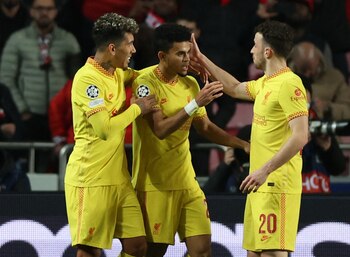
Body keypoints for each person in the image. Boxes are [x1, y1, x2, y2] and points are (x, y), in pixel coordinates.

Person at [191, 20, 309, 256]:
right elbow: (233, 87)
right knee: (253, 253)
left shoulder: (289, 83)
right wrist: (202, 59)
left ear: (268, 52)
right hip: (258, 186)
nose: (251, 50)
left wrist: (265, 170)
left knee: (272, 253)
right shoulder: (266, 83)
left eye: (255, 45)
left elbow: (301, 136)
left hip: (276, 185)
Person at [131, 23, 249, 257]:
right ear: (162, 56)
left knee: (202, 250)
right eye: (181, 54)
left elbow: (204, 127)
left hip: (187, 182)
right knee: (154, 251)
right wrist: (195, 103)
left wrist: (241, 144)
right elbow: (161, 129)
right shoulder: (145, 83)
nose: (187, 59)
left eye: (189, 52)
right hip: (155, 184)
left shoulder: (190, 83)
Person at [64, 13, 157, 257]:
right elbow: (104, 129)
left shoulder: (115, 73)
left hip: (119, 179)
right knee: (89, 251)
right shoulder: (87, 79)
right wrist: (138, 108)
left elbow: (140, 75)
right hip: (91, 178)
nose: (134, 50)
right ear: (113, 48)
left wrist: (170, 63)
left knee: (137, 246)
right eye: (130, 44)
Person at [0, 0, 81, 142]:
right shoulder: (17, 40)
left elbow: (77, 78)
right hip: (28, 115)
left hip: (60, 116)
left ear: (56, 12)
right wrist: (21, 110)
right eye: (39, 8)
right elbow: (6, 79)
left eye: (49, 9)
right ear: (31, 11)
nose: (44, 13)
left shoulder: (68, 40)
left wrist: (69, 109)